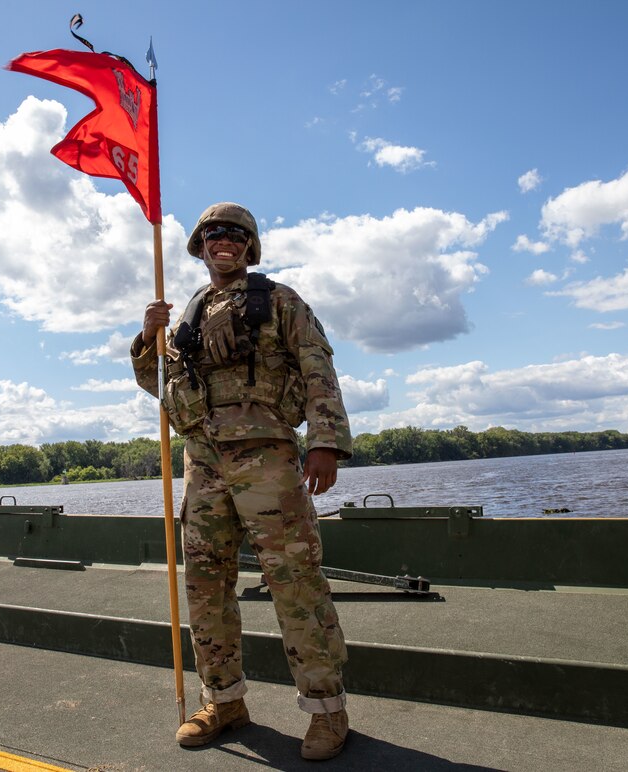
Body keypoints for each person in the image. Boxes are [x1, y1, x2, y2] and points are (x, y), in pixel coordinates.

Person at [131, 202, 353, 760]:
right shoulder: (188, 313)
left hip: (268, 460)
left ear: (249, 247)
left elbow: (317, 366)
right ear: (201, 247)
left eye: (233, 235)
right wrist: (146, 337)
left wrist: (325, 442)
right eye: (212, 235)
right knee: (205, 587)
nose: (222, 242)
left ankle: (327, 711)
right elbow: (161, 384)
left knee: (295, 584)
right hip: (203, 462)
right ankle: (224, 702)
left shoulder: (280, 301)